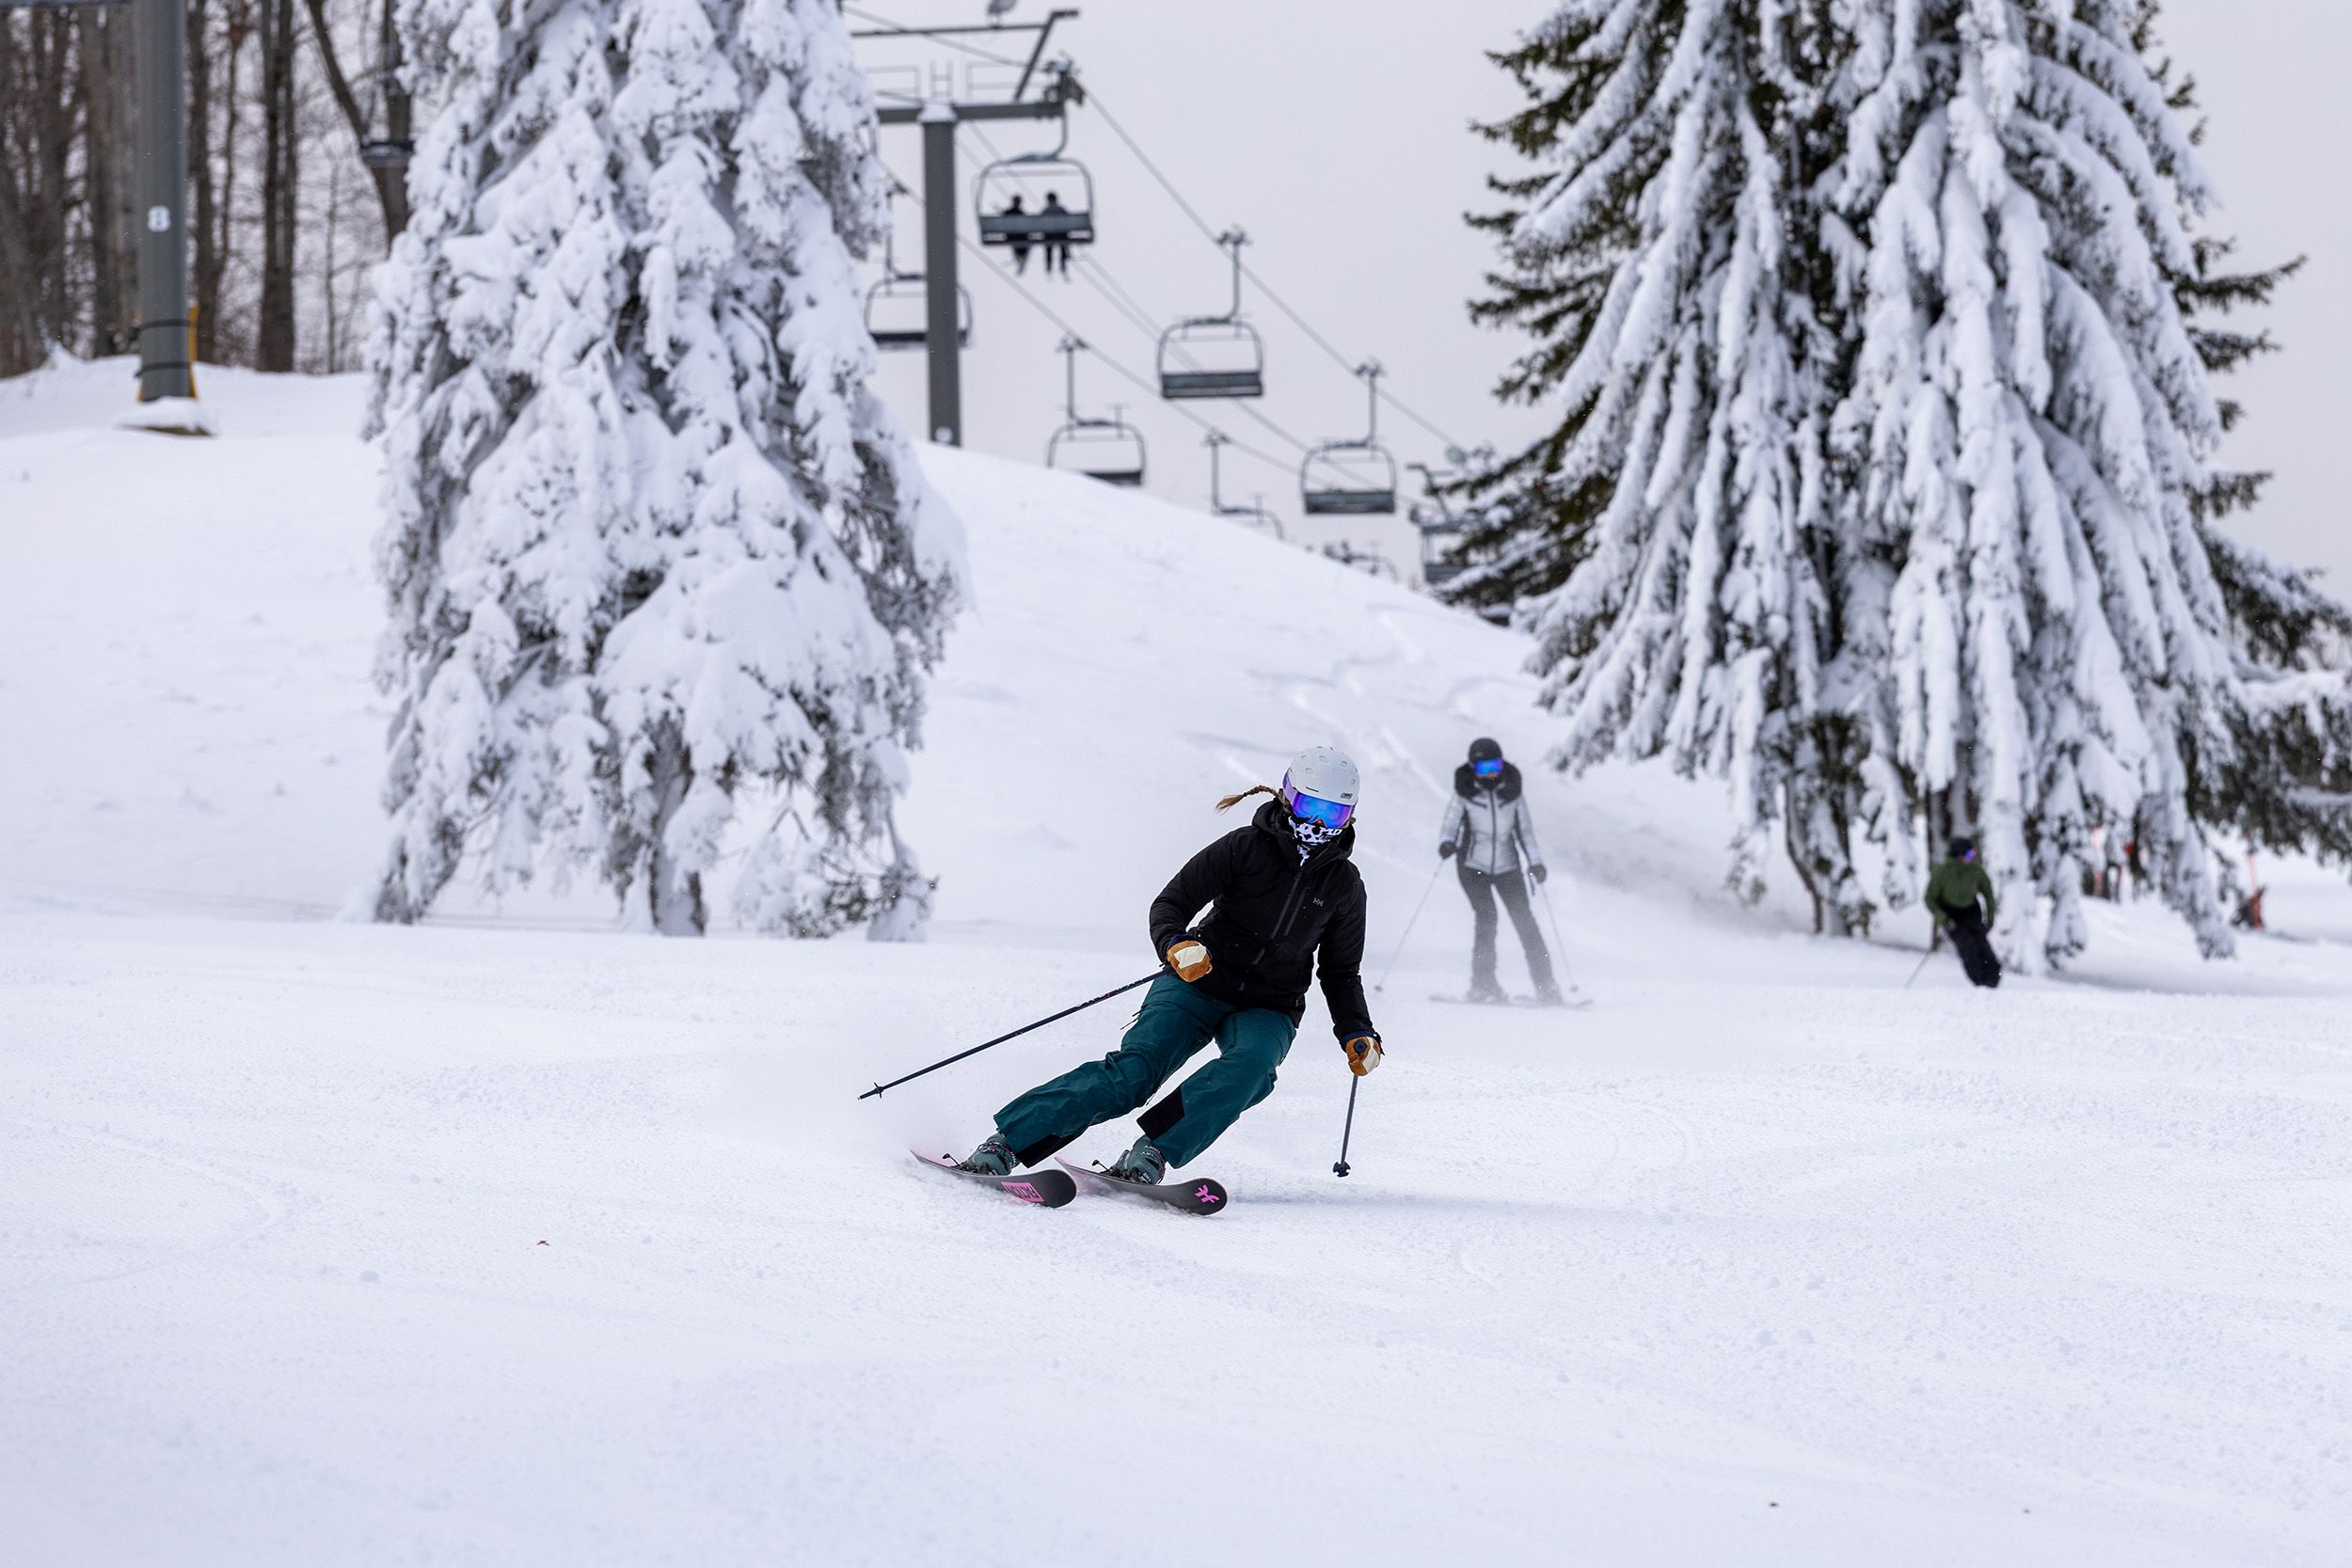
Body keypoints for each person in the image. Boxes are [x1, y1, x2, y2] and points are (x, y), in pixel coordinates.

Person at [961, 747, 1384, 1184]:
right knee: (1133, 1075)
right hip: (1196, 982)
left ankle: (1151, 1153)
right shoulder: (1243, 848)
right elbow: (1171, 904)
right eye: (1310, 806)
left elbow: (1340, 971)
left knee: (1252, 1069)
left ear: (1349, 817)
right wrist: (1176, 944)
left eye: (1332, 814)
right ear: (1287, 795)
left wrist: (1357, 1030)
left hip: (1271, 1005)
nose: (1317, 823)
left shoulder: (1345, 887)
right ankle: (1005, 1143)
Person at [1438, 737, 1561, 1006]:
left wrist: (1536, 863)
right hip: (1473, 867)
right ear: (1473, 768)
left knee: (1525, 921)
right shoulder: (1465, 793)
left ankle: (1547, 986)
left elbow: (1525, 833)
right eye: (1484, 768)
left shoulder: (1512, 794)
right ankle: (1483, 984)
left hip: (1508, 867)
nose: (1491, 773)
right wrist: (1446, 843)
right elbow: (1450, 823)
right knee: (1487, 917)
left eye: (1495, 766)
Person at [1925, 835, 2002, 988]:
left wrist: (1990, 917)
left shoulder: (1976, 871)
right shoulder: (1942, 873)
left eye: (1972, 854)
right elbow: (1930, 899)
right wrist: (1944, 919)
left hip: (1971, 912)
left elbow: (1988, 893)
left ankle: (1994, 980)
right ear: (1959, 855)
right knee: (1968, 948)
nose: (1971, 857)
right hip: (1952, 917)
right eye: (1969, 854)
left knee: (1984, 948)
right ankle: (1979, 983)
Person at [1040, 192, 1073, 278]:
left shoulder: (1046, 210)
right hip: (1061, 234)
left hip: (1049, 234)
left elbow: (1040, 222)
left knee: (1049, 249)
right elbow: (1069, 220)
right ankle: (1063, 265)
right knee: (1063, 247)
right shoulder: (1061, 209)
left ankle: (1049, 267)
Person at [1000, 195, 1033, 275]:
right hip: (1020, 237)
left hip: (1011, 236)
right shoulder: (1021, 213)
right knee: (1025, 246)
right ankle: (1021, 262)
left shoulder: (1007, 212)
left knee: (1018, 247)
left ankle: (1020, 262)